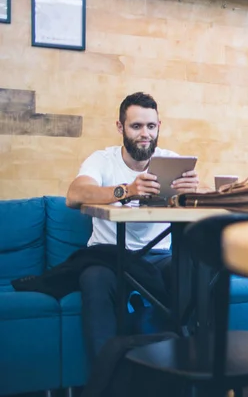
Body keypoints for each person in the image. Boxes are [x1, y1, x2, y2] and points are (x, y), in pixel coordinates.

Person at [65, 91, 206, 361]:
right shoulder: (102, 160)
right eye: (136, 126)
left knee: (194, 275)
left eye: (151, 126)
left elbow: (205, 195)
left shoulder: (171, 161)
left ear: (159, 127)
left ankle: (189, 373)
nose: (145, 134)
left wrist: (194, 191)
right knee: (94, 280)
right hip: (108, 256)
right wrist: (127, 190)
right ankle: (107, 380)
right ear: (120, 127)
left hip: (158, 257)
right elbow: (75, 194)